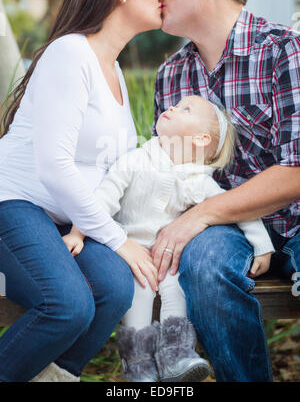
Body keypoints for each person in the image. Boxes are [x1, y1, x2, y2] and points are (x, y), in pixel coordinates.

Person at [0, 0, 163, 382]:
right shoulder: (70, 54)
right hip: (15, 203)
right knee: (67, 305)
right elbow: (54, 165)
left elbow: (110, 170)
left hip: (68, 221)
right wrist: (116, 238)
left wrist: (89, 228)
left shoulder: (114, 71)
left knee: (114, 288)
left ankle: (53, 375)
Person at [151, 0, 300, 382]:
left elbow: (296, 170)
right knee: (202, 263)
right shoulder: (170, 75)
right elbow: (165, 171)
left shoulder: (283, 51)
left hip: (295, 220)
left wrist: (199, 214)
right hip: (226, 230)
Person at [63, 95, 275, 382]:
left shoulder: (198, 179)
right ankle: (137, 362)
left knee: (177, 284)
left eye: (186, 109)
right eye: (177, 104)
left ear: (201, 140)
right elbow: (105, 197)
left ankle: (176, 352)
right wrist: (78, 232)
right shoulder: (137, 159)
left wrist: (262, 246)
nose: (173, 107)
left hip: (169, 257)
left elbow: (239, 211)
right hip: (131, 250)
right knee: (139, 290)